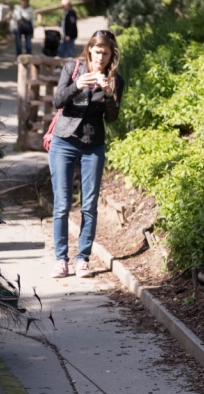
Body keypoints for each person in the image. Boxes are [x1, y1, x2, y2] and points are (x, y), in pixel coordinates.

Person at [48, 30, 124, 278]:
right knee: (62, 205)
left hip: (93, 144)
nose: (100, 57)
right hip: (64, 141)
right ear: (90, 49)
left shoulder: (115, 80)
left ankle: (83, 259)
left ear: (112, 55)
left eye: (106, 53)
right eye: (97, 51)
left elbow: (111, 119)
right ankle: (61, 259)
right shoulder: (73, 68)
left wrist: (110, 95)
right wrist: (76, 86)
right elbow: (57, 100)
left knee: (89, 206)